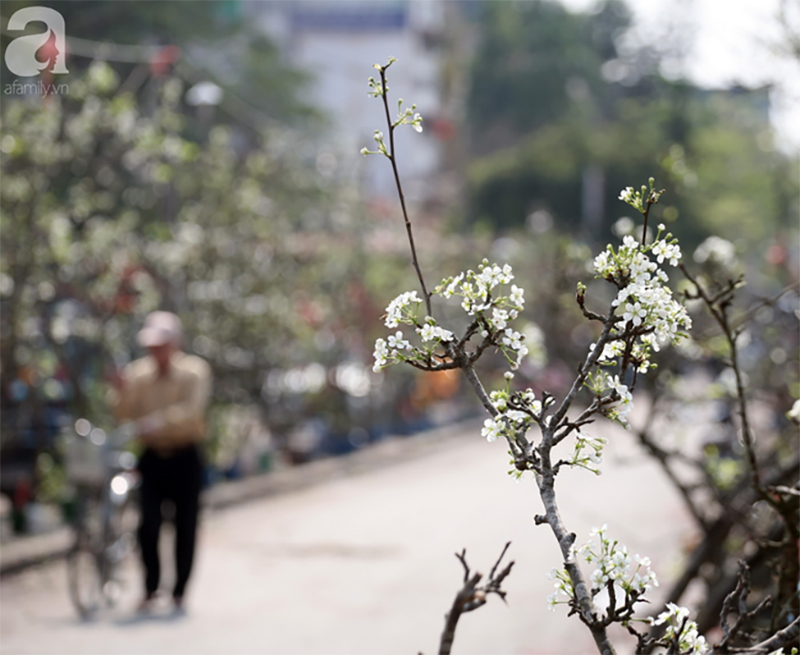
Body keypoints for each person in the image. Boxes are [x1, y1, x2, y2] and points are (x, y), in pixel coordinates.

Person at [108, 311, 211, 612]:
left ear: (174, 343)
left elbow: (192, 412)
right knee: (147, 525)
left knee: (185, 525)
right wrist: (119, 390)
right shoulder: (138, 375)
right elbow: (123, 413)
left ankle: (179, 591)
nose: (156, 351)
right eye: (151, 346)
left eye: (161, 345)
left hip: (185, 456)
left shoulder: (194, 372)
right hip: (151, 458)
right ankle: (151, 588)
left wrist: (158, 423)